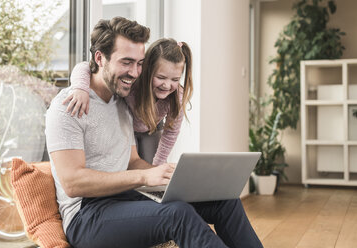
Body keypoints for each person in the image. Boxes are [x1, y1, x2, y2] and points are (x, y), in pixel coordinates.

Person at [46, 17, 263, 248]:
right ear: (100, 58)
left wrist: (165, 174)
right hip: (86, 216)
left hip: (124, 197)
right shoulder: (68, 106)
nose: (135, 72)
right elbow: (72, 183)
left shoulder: (121, 103)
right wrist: (143, 177)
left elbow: (132, 161)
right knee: (178, 214)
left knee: (224, 201)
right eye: (127, 62)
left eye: (139, 63)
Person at [63, 38, 193, 165]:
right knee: (124, 163)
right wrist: (80, 89)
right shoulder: (134, 80)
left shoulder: (177, 98)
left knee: (150, 167)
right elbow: (84, 66)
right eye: (161, 77)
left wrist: (159, 164)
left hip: (151, 129)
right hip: (125, 126)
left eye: (175, 80)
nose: (167, 85)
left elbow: (171, 133)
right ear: (147, 70)